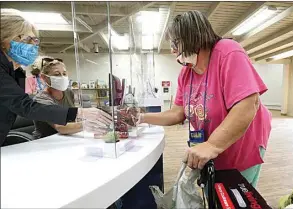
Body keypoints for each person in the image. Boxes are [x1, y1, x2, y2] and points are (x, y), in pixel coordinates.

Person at [134, 10, 272, 187]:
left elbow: (247, 104)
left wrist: (212, 145)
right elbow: (178, 112)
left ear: (192, 37)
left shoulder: (228, 51)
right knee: (214, 191)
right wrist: (141, 117)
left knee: (234, 195)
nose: (172, 50)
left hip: (242, 141)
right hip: (212, 143)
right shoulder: (186, 73)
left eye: (176, 43)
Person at [0, 8, 111, 143]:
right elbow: (24, 106)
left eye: (34, 40)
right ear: (3, 37)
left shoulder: (17, 73)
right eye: (25, 39)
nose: (32, 46)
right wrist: (78, 113)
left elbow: (16, 105)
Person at [32, 58, 82, 138]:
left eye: (64, 74)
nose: (62, 77)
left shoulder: (68, 92)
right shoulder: (41, 99)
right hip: (46, 141)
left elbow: (73, 118)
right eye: (56, 74)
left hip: (67, 137)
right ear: (44, 78)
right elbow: (60, 127)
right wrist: (86, 125)